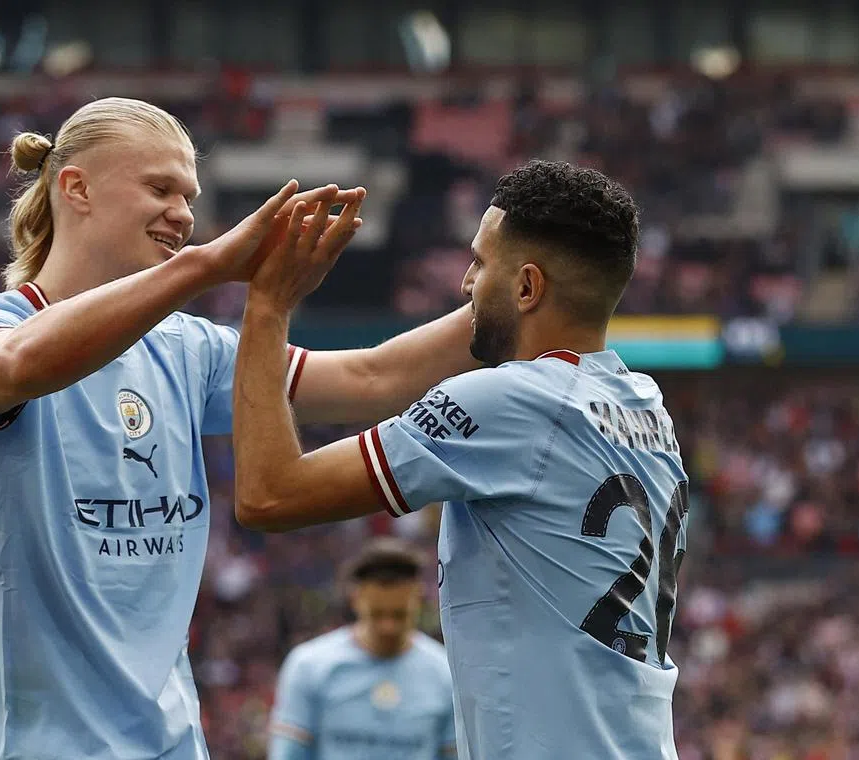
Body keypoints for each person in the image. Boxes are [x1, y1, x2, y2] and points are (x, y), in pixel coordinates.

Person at [0, 97, 477, 760]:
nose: (183, 215)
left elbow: (372, 378)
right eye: (160, 189)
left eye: (189, 196)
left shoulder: (188, 348)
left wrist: (517, 297)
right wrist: (206, 266)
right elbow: (20, 365)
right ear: (76, 188)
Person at [230, 160, 691, 759]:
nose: (465, 283)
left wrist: (268, 303)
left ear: (526, 287)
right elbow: (378, 373)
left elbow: (269, 494)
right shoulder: (645, 404)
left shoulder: (511, 402)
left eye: (479, 262)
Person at [269, 538, 455, 760]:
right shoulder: (308, 667)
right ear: (355, 598)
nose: (388, 627)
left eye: (399, 615)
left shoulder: (445, 674)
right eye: (377, 614)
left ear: (419, 599)